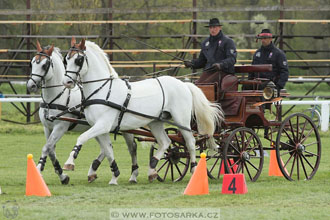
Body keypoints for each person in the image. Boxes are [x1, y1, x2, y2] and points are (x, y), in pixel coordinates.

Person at [184, 18, 237, 84]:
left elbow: (232, 59)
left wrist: (220, 65)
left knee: (206, 84)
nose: (212, 30)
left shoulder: (228, 41)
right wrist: (192, 63)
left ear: (220, 28)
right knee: (197, 84)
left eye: (214, 27)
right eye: (211, 28)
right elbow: (202, 61)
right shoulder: (205, 43)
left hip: (224, 72)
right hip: (209, 71)